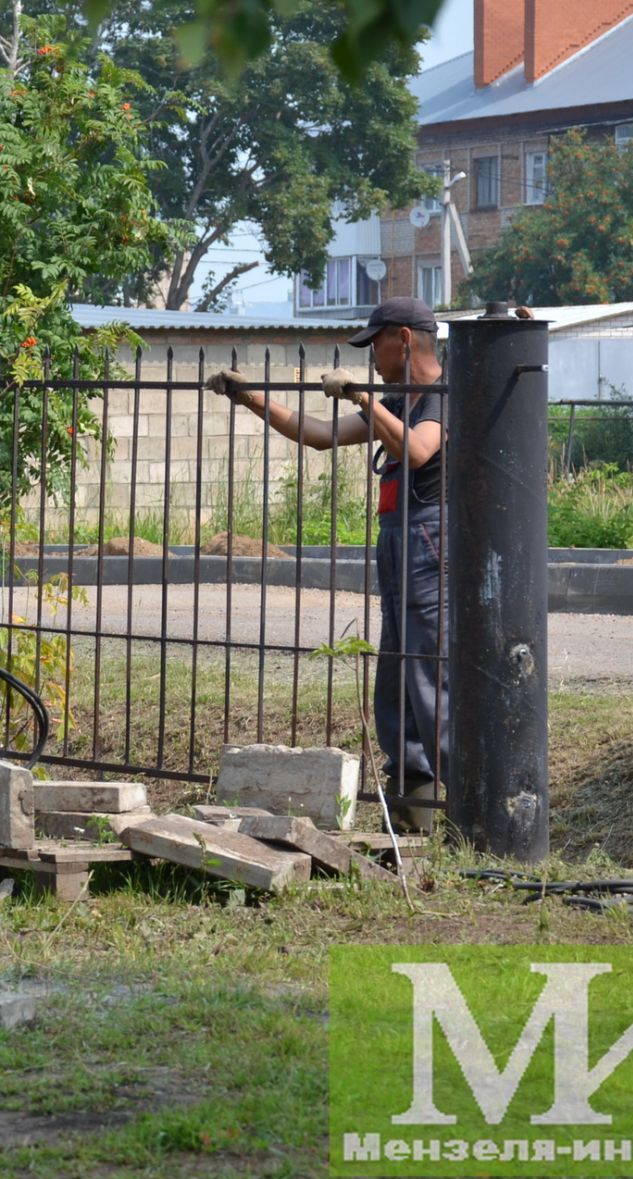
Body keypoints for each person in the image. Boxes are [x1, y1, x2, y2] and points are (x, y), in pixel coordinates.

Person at [207, 297, 448, 831]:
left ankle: (465, 804)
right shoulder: (399, 399)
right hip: (399, 542)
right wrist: (251, 399)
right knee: (398, 672)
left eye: (376, 348)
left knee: (430, 672)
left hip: (430, 543)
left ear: (403, 339)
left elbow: (419, 451)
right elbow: (320, 434)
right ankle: (413, 805)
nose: (373, 361)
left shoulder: (440, 397)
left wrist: (362, 395)